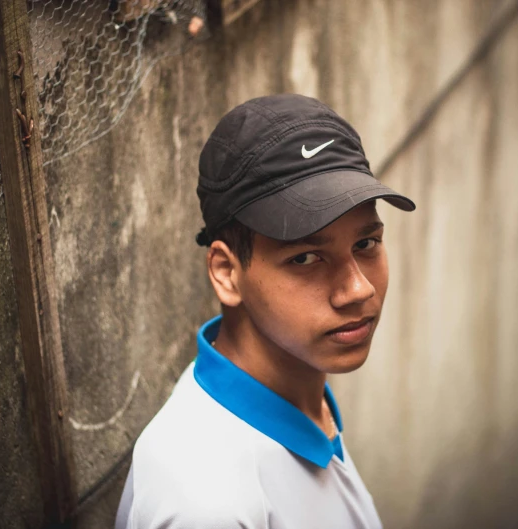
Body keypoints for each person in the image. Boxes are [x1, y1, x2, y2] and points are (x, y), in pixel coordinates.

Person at [115, 93, 415, 529]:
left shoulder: (300, 394)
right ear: (227, 273)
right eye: (305, 258)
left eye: (365, 244)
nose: (358, 289)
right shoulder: (206, 504)